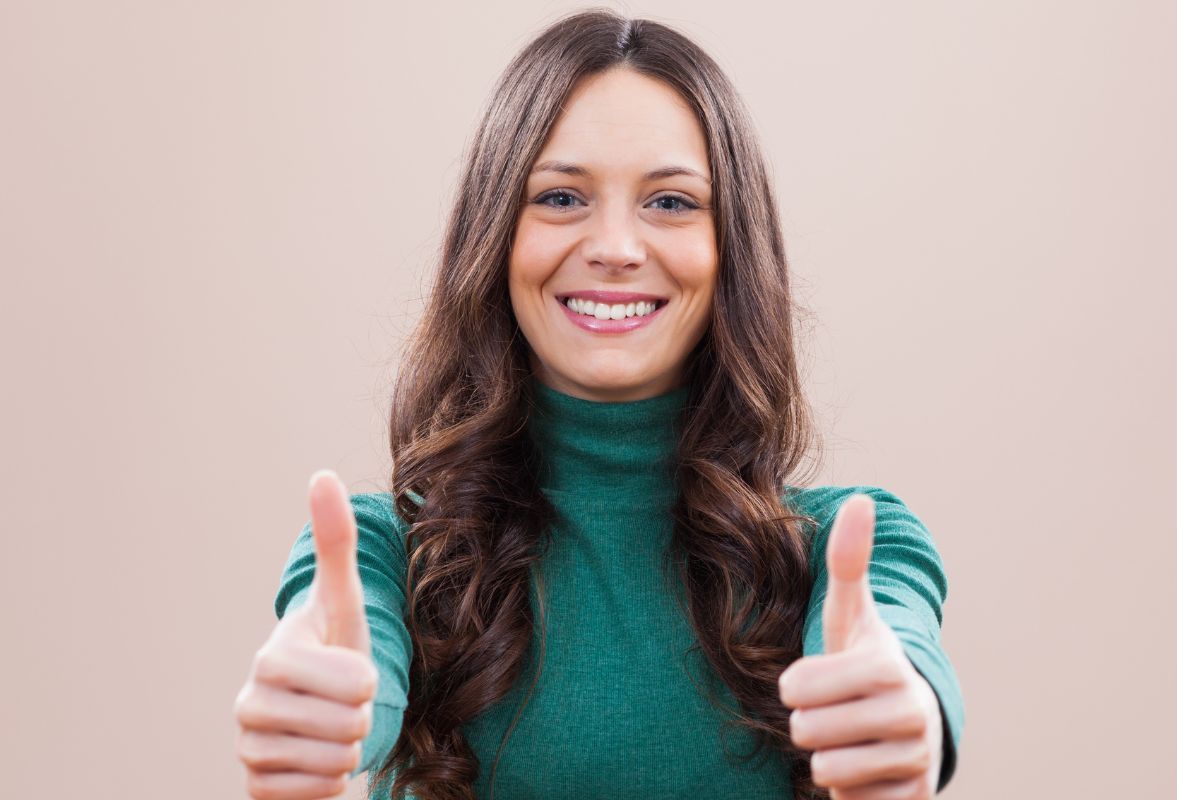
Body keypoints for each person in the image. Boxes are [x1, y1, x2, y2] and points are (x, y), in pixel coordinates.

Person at [233, 8, 964, 800]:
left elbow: (897, 660)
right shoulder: (375, 554)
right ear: (494, 235)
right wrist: (322, 711)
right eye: (560, 198)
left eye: (672, 203)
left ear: (732, 251)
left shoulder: (851, 547)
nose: (615, 246)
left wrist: (900, 714)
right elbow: (347, 664)